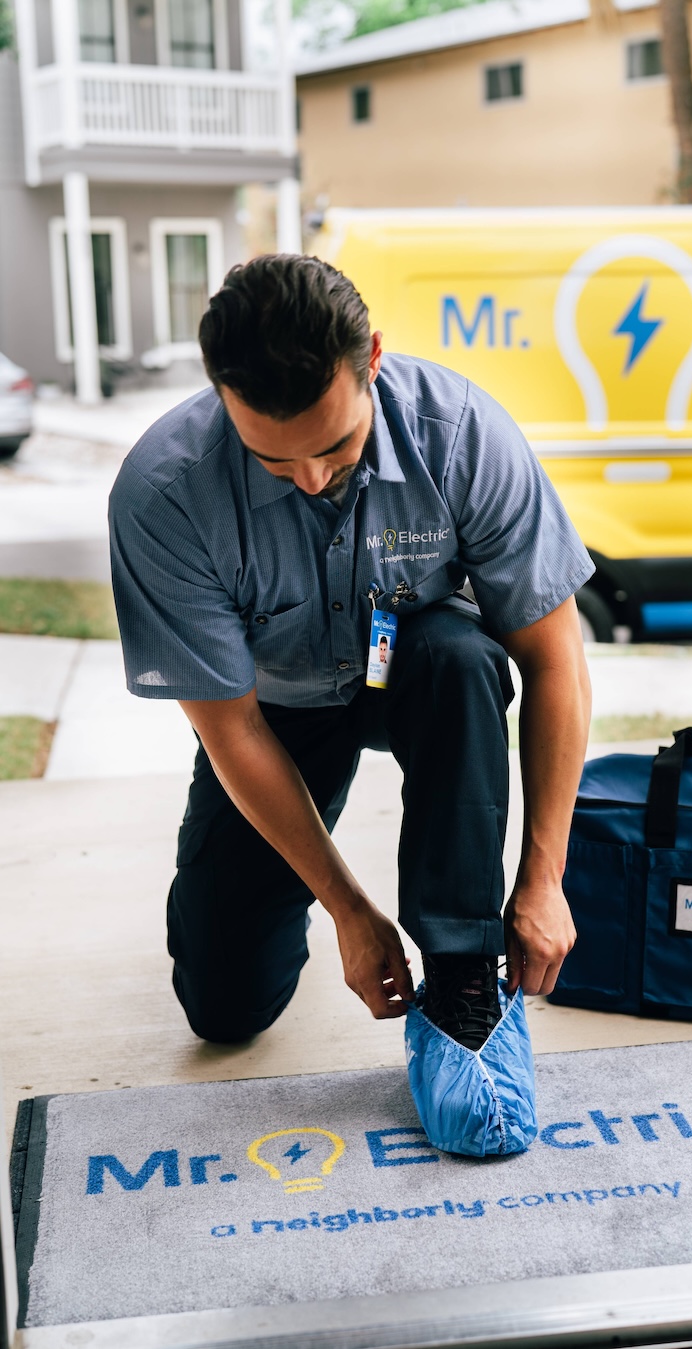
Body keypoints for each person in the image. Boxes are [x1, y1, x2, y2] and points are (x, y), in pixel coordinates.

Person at [109, 254, 593, 1054]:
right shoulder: (165, 496)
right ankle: (265, 899)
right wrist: (348, 908)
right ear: (222, 394)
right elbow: (231, 728)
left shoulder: (462, 435)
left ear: (371, 359)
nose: (309, 478)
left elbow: (554, 661)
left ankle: (463, 967)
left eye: (334, 446)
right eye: (273, 459)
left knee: (461, 657)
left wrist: (544, 878)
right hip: (275, 710)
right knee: (225, 1009)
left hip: (415, 672)